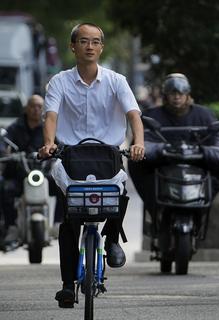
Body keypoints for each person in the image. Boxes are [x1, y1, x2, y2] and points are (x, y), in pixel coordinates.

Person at [38, 22, 144, 308]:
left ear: (101, 47)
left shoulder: (116, 81)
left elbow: (134, 115)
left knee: (120, 191)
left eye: (96, 42)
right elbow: (50, 116)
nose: (90, 46)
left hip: (109, 154)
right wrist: (49, 144)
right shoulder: (59, 81)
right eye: (84, 41)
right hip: (70, 156)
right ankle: (66, 285)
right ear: (73, 46)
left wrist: (138, 143)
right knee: (69, 220)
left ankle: (111, 239)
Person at [128, 73, 219, 219]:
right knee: (136, 162)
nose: (177, 97)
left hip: (197, 169)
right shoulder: (152, 116)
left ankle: (202, 207)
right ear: (165, 95)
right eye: (172, 93)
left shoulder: (204, 115)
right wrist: (158, 150)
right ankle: (155, 211)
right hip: (161, 167)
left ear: (187, 94)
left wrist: (204, 151)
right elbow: (141, 143)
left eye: (181, 93)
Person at [1, 94, 46, 249]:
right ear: (27, 108)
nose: (36, 109)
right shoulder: (15, 127)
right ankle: (11, 226)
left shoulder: (47, 128)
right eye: (33, 106)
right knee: (6, 189)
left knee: (62, 188)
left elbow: (57, 144)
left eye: (40, 106)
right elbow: (3, 141)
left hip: (41, 173)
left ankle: (58, 222)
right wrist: (5, 153)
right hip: (19, 174)